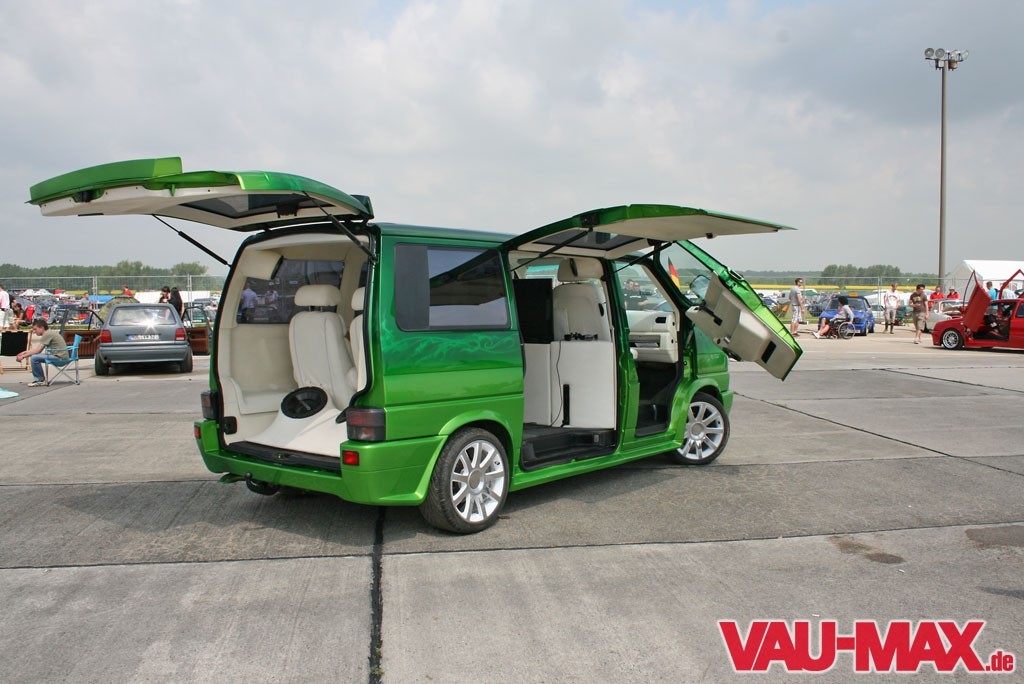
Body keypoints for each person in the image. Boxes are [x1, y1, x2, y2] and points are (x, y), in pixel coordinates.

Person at [16, 319, 68, 387]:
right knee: (35, 356)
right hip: (61, 357)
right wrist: (24, 353)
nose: (34, 332)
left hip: (60, 358)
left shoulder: (47, 334)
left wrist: (23, 356)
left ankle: (39, 380)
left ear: (42, 328)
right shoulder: (49, 333)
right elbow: (36, 350)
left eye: (35, 329)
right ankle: (39, 379)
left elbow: (37, 351)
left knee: (34, 358)